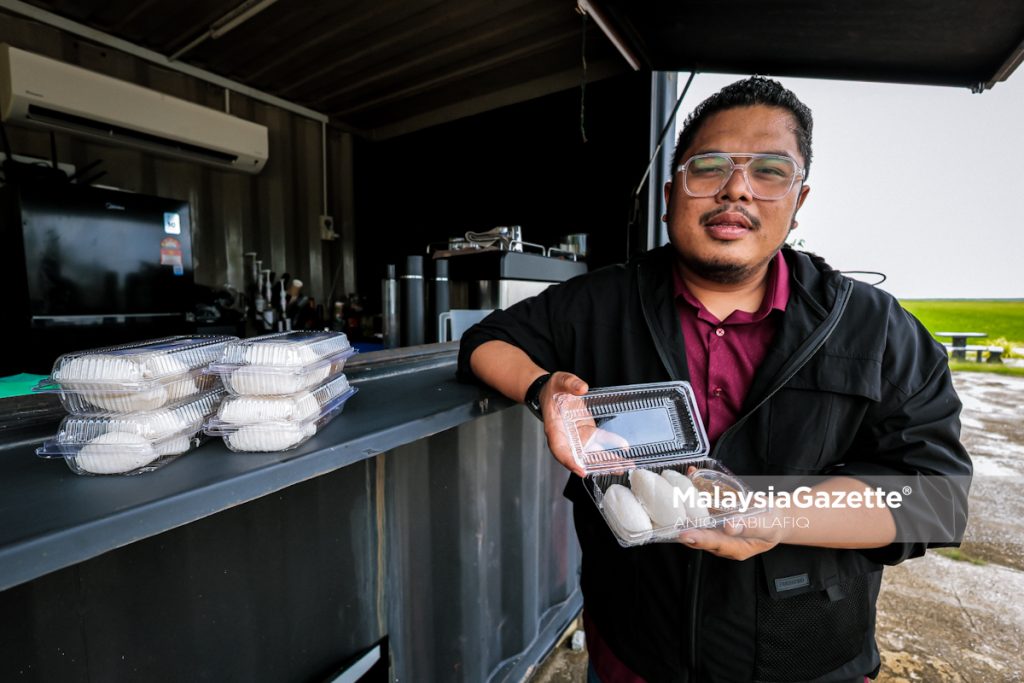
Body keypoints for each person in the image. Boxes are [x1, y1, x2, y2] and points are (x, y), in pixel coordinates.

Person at [457, 76, 971, 682]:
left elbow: (932, 499)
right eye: (708, 167)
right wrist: (544, 390)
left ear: (798, 200)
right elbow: (486, 341)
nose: (736, 189)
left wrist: (781, 516)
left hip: (808, 660)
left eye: (770, 171)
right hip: (635, 650)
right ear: (671, 194)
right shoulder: (600, 301)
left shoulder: (873, 326)